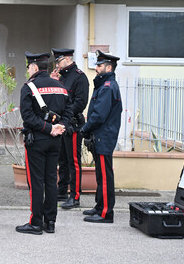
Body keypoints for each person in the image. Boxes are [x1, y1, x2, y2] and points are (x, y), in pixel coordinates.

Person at [16, 51, 73, 235]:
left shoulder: (29, 87)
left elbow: (28, 116)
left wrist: (48, 128)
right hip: (55, 141)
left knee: (36, 182)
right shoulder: (60, 86)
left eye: (28, 67)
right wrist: (60, 126)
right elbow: (69, 111)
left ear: (33, 67)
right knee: (51, 181)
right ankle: (50, 222)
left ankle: (35, 223)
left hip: (37, 140)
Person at [80, 50, 122, 223]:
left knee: (105, 176)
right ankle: (99, 206)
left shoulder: (107, 87)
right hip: (100, 136)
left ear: (109, 67)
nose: (96, 68)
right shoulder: (103, 85)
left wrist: (84, 129)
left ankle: (106, 213)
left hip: (104, 137)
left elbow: (99, 116)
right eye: (96, 64)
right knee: (100, 174)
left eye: (99, 65)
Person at [50, 48, 89, 209]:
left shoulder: (79, 77)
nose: (57, 65)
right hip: (61, 125)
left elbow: (80, 102)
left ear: (67, 59)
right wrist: (53, 80)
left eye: (58, 61)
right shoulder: (61, 77)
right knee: (62, 160)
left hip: (72, 125)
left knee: (73, 161)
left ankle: (75, 195)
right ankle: (62, 191)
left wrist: (65, 117)